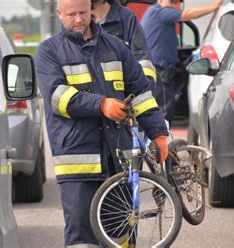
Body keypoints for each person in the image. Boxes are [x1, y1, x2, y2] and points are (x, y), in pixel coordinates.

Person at [35, 0, 169, 246]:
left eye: (83, 13)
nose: (78, 19)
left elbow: (141, 94)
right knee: (83, 238)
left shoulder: (116, 47)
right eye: (71, 14)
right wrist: (102, 104)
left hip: (119, 161)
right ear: (59, 14)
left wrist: (159, 134)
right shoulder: (49, 51)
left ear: (91, 10)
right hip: (78, 165)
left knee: (122, 233)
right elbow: (58, 98)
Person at [141, 0, 222, 124]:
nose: (174, 6)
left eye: (176, 2)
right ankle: (159, 141)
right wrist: (214, 7)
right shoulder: (159, 12)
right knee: (163, 112)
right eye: (172, 1)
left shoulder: (155, 14)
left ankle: (158, 139)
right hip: (160, 71)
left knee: (162, 109)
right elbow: (188, 13)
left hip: (159, 70)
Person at [91, 0, 157, 85]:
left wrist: (142, 91)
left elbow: (144, 63)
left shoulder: (127, 18)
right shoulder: (78, 23)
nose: (78, 18)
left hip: (125, 94)